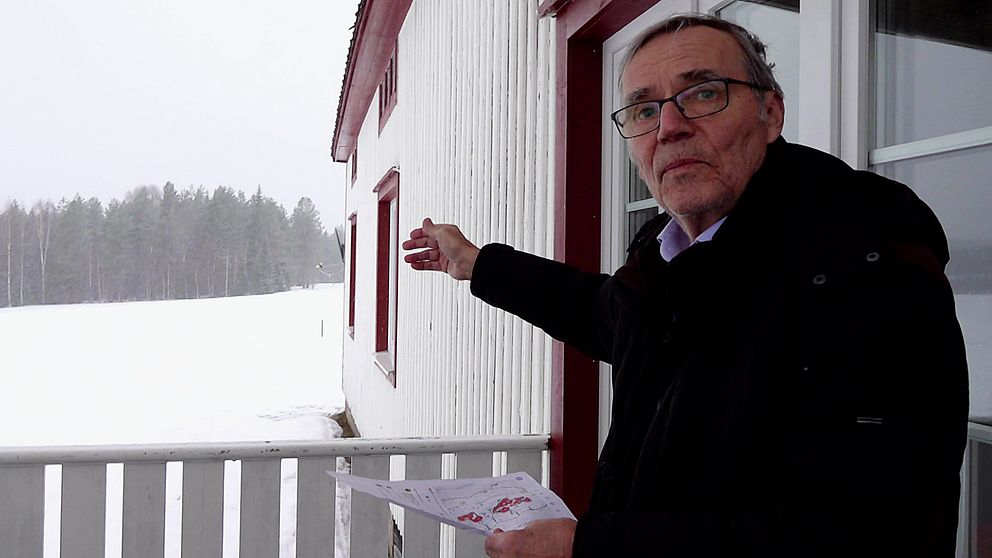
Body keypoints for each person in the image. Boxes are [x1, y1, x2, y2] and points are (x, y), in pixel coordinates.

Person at [403, 14, 968, 558]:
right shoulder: (666, 256)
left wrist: (592, 548)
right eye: (645, 110)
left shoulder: (866, 266)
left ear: (770, 112)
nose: (670, 127)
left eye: (703, 94)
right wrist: (478, 264)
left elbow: (864, 533)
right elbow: (602, 312)